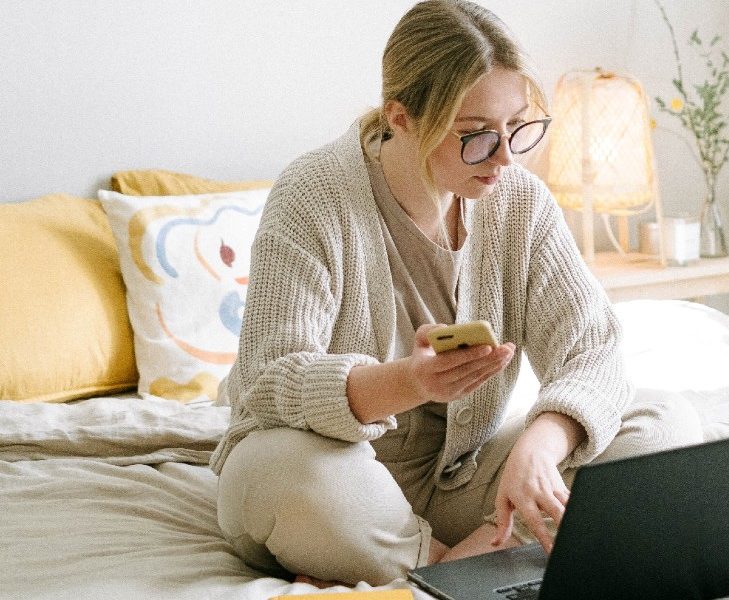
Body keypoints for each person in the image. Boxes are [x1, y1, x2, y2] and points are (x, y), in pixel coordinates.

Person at [211, 0, 696, 588]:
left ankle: (456, 568)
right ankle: (479, 562)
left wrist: (542, 443)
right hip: (338, 478)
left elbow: (592, 350)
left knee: (662, 420)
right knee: (276, 472)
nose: (506, 157)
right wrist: (409, 382)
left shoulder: (519, 202)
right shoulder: (312, 196)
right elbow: (268, 378)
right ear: (403, 117)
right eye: (474, 136)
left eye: (519, 126)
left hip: (462, 483)